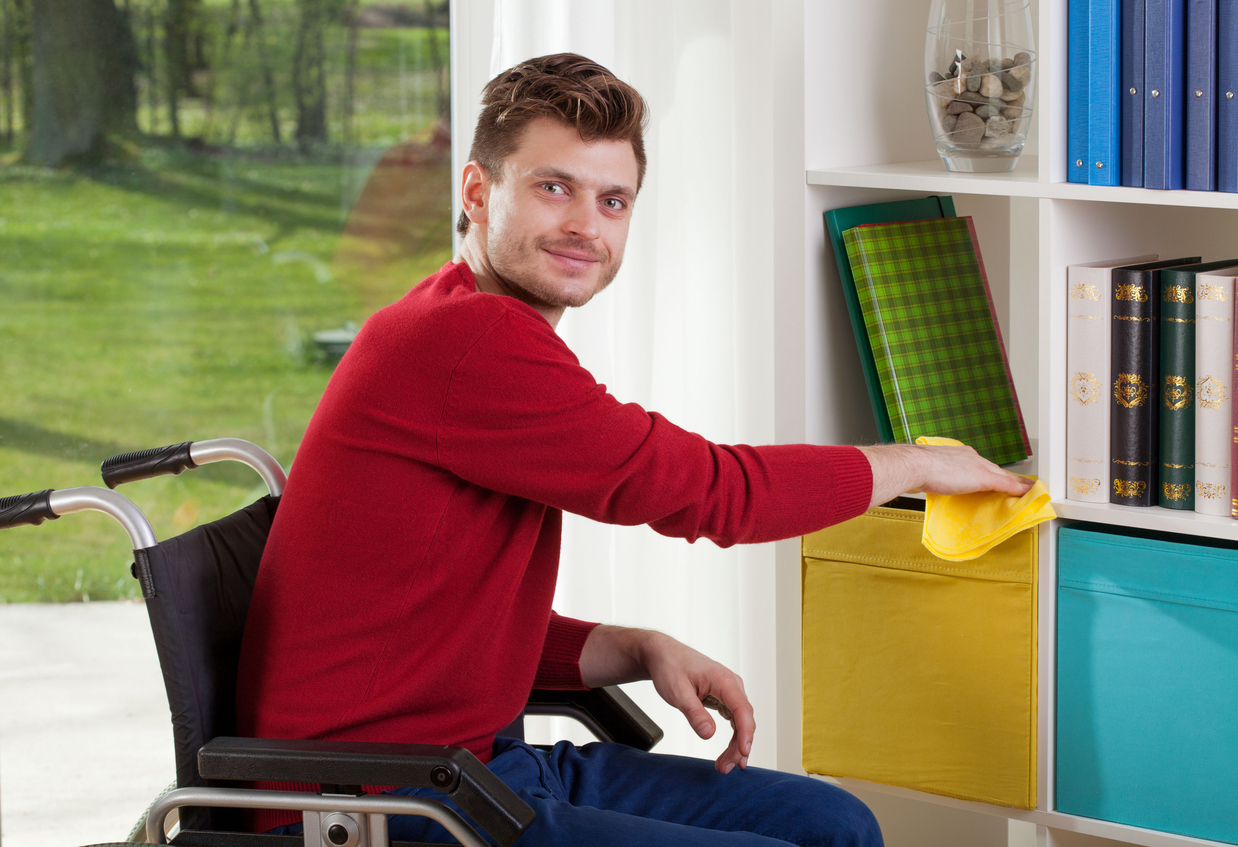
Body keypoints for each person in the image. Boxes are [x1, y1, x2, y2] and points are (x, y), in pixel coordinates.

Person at [235, 53, 1033, 846]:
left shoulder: (463, 321)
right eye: (555, 188)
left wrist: (634, 646)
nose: (586, 224)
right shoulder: (468, 342)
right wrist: (922, 462)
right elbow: (714, 492)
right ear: (478, 194)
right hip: (381, 802)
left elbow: (439, 631)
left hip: (476, 768)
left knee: (834, 824)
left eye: (612, 200)